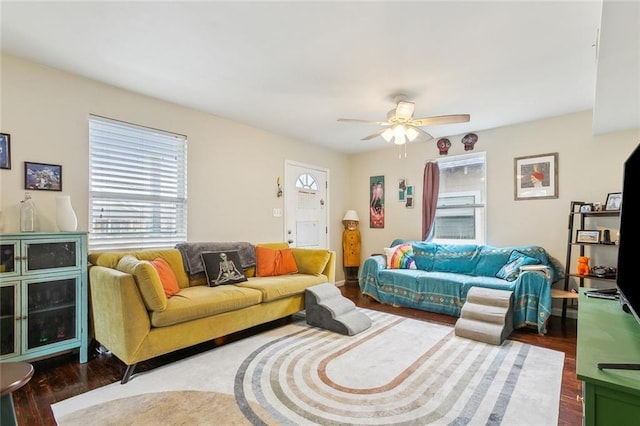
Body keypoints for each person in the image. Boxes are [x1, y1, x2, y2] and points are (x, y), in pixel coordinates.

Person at [342, 214, 361, 282]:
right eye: (349, 223)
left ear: (355, 224)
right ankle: (349, 277)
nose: (351, 224)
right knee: (349, 264)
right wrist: (345, 250)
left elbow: (359, 242)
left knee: (355, 264)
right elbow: (344, 242)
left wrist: (358, 249)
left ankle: (355, 276)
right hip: (348, 252)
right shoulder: (345, 232)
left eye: (353, 223)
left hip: (355, 251)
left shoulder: (357, 232)